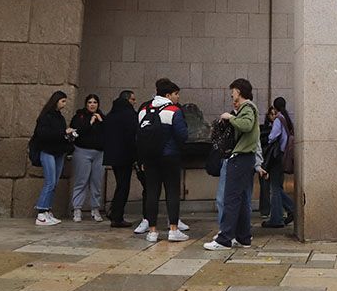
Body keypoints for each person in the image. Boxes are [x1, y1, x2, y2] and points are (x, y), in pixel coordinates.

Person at [205, 78, 259, 250]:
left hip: (240, 158)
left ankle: (224, 238)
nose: (231, 96)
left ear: (239, 91)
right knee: (242, 200)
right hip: (246, 159)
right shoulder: (247, 108)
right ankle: (243, 237)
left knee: (231, 198)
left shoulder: (247, 107)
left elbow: (247, 125)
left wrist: (230, 117)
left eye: (233, 92)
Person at [136, 78, 193, 243]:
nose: (178, 97)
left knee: (152, 192)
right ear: (168, 94)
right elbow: (183, 135)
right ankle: (173, 229)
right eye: (176, 94)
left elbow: (139, 136)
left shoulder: (144, 109)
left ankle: (152, 231)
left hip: (150, 157)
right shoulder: (173, 110)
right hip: (170, 156)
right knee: (172, 192)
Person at [31, 90, 75, 226]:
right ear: (56, 101)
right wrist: (63, 132)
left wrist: (68, 136)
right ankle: (41, 212)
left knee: (54, 183)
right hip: (47, 151)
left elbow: (59, 135)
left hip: (58, 152)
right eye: (62, 101)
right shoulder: (46, 117)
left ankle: (47, 210)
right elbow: (43, 134)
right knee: (50, 182)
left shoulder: (59, 117)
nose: (64, 104)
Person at [103, 90, 138, 228]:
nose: (135, 102)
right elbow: (132, 137)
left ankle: (114, 211)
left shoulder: (111, 115)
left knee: (120, 185)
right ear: (128, 100)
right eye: (133, 99)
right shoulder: (129, 115)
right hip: (125, 155)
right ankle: (117, 215)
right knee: (123, 186)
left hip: (113, 155)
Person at [70, 94, 106, 222]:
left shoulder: (102, 117)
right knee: (81, 181)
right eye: (90, 102)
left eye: (95, 102)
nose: (92, 104)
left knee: (96, 182)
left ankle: (95, 208)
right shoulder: (79, 116)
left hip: (99, 153)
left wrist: (101, 121)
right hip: (82, 151)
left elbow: (108, 133)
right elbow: (76, 132)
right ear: (86, 104)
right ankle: (77, 209)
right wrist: (89, 123)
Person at [262, 96, 296, 229]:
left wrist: (267, 138)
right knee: (278, 187)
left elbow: (273, 137)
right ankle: (290, 209)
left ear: (275, 107)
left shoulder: (278, 119)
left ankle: (277, 218)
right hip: (284, 156)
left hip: (277, 157)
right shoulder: (287, 119)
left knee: (275, 188)